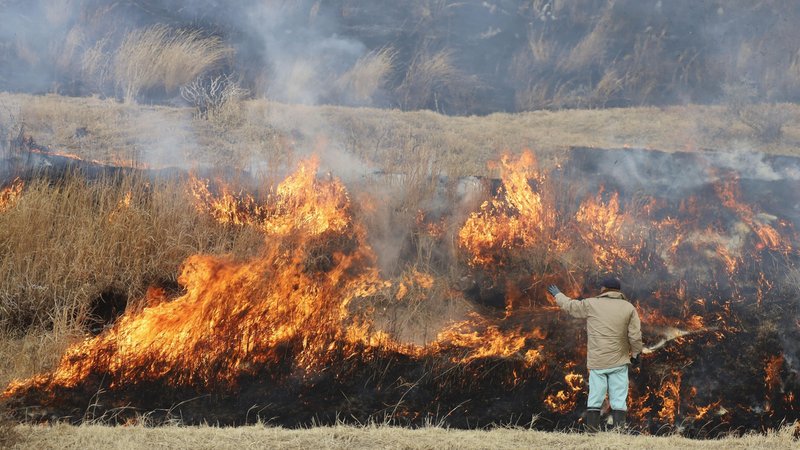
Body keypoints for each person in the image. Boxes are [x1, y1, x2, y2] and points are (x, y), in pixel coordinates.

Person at [546, 277, 643, 432]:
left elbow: (571, 306)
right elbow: (635, 335)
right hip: (619, 362)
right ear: (618, 290)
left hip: (598, 362)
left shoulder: (591, 304)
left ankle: (592, 433)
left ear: (603, 289)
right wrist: (636, 354)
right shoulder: (629, 307)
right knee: (619, 399)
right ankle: (619, 433)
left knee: (595, 397)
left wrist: (558, 294)